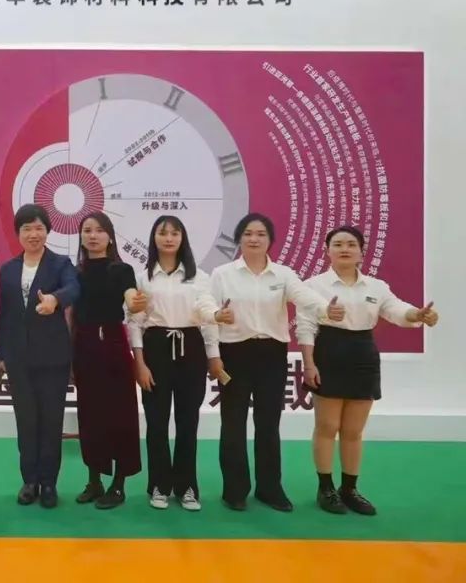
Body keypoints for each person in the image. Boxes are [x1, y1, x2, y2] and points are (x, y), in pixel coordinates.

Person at [297, 226, 438, 516]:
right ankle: (326, 488)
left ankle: (349, 489)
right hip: (329, 353)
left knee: (353, 431)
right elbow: (306, 327)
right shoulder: (312, 286)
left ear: (361, 252)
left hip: (363, 355)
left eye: (351, 244)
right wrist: (309, 364)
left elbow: (396, 309)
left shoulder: (376, 287)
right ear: (327, 251)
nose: (344, 249)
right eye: (338, 244)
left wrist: (417, 314)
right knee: (327, 427)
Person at [210, 212, 343, 512]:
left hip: (271, 355)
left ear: (270, 240)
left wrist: (325, 309)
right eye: (248, 233)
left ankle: (269, 489)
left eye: (261, 234)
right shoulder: (222, 274)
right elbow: (208, 313)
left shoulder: (283, 274)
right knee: (232, 424)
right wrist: (213, 353)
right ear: (239, 239)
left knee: (269, 424)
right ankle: (235, 490)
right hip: (233, 353)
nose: (254, 239)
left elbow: (304, 296)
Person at [127, 215, 232, 512]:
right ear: (154, 238)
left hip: (191, 350)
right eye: (163, 233)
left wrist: (214, 354)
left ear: (183, 238)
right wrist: (140, 363)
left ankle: (187, 487)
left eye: (175, 233)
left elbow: (206, 314)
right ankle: (159, 485)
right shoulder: (144, 277)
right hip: (156, 349)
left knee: (188, 422)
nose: (169, 238)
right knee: (156, 422)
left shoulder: (199, 277)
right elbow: (135, 322)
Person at [0, 204, 79, 509]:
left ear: (48, 231)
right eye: (27, 228)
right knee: (26, 422)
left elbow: (74, 288)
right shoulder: (8, 269)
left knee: (51, 422)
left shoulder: (60, 264)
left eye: (39, 228)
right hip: (18, 360)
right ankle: (29, 481)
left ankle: (49, 483)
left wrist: (55, 299)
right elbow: (4, 315)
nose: (33, 234)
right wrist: (0, 355)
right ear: (18, 233)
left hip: (53, 358)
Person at [71, 212, 143, 510]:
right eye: (87, 230)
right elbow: (70, 313)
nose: (93, 235)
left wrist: (134, 300)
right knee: (90, 416)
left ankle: (119, 484)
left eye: (100, 230)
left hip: (113, 345)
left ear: (110, 236)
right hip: (84, 347)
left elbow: (130, 295)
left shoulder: (122, 270)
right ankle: (94, 480)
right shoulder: (74, 272)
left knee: (120, 415)